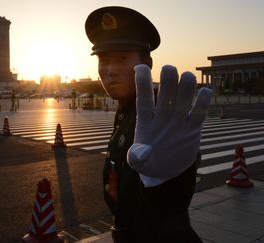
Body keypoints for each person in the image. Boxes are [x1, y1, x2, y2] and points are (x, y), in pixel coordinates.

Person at [85, 6, 213, 242]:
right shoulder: (125, 112)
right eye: (104, 59)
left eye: (123, 58)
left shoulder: (159, 119)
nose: (111, 70)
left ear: (148, 63)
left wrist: (166, 180)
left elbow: (170, 200)